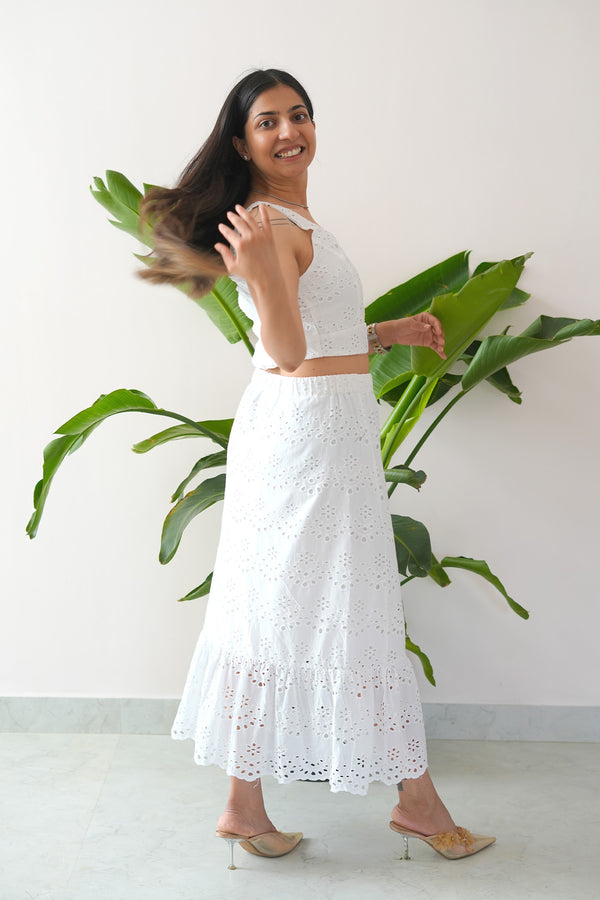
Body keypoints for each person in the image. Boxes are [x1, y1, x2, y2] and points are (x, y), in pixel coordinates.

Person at [139, 68, 495, 868]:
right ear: (242, 142)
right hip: (306, 440)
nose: (289, 130)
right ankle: (415, 801)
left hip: (313, 427)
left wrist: (388, 330)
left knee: (285, 603)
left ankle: (244, 804)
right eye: (268, 121)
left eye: (299, 115)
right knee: (343, 604)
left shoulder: (291, 217)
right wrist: (261, 275)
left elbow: (311, 334)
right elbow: (291, 350)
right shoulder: (265, 224)